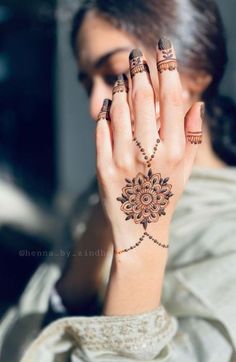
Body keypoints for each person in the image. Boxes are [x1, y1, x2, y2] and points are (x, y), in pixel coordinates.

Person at [1, 0, 236, 361]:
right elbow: (22, 344)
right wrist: (97, 232)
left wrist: (142, 237)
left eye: (115, 76)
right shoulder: (96, 199)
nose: (95, 107)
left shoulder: (226, 229)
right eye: (86, 84)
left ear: (196, 74)